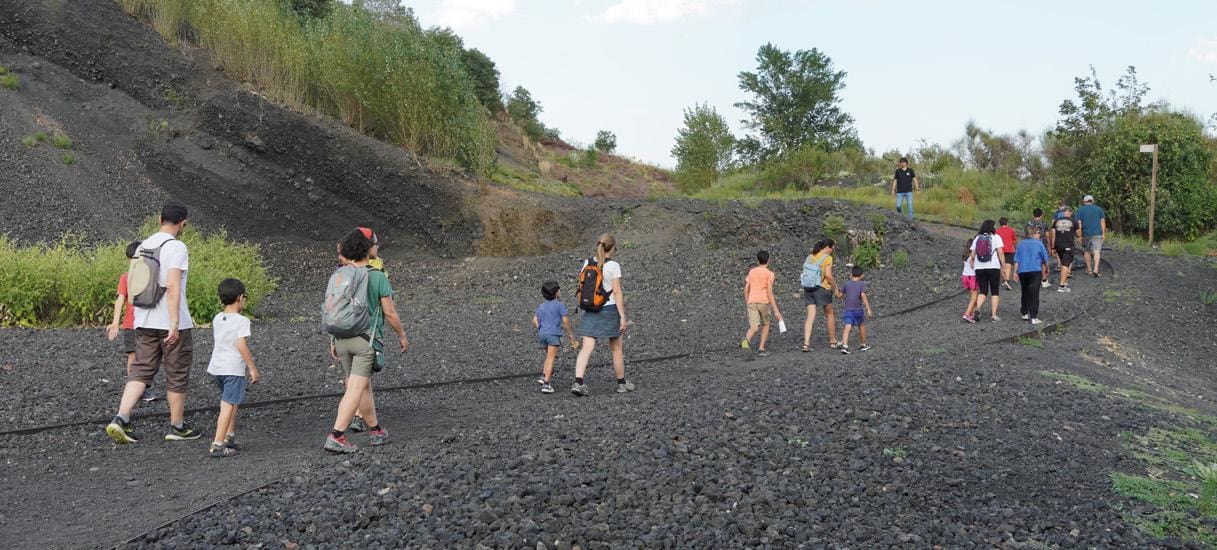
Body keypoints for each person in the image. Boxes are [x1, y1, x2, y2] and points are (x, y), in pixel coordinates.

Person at [104, 202, 198, 444]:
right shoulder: (176, 247)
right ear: (183, 223)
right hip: (169, 322)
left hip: (143, 320)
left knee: (142, 369)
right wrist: (175, 323)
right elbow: (174, 286)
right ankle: (176, 427)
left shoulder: (142, 246)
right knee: (176, 373)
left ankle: (121, 418)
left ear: (160, 219)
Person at [324, 229, 409, 453]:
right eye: (375, 244)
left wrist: (333, 339)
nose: (377, 247)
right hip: (365, 341)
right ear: (367, 248)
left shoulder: (341, 275)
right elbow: (389, 313)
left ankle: (375, 430)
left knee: (363, 387)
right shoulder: (377, 276)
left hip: (342, 339)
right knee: (355, 388)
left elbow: (335, 308)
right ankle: (336, 436)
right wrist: (401, 335)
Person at [571, 233, 634, 397]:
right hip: (609, 309)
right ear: (612, 248)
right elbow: (618, 292)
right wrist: (622, 316)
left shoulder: (588, 262)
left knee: (586, 348)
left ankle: (579, 382)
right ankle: (621, 384)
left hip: (591, 309)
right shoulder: (613, 266)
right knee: (616, 348)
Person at [206, 278, 261, 458]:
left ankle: (229, 437)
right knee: (228, 405)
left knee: (231, 401)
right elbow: (241, 345)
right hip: (232, 370)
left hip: (217, 368)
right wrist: (252, 367)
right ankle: (218, 444)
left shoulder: (217, 318)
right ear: (240, 297)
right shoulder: (241, 321)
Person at [107, 240, 157, 403]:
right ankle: (135, 390)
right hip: (131, 324)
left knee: (145, 357)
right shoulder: (126, 277)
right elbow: (120, 299)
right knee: (134, 356)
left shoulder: (151, 275)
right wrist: (115, 322)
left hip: (148, 323)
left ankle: (139, 388)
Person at [533, 280, 578, 394]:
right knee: (551, 358)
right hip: (553, 334)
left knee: (549, 356)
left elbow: (535, 320)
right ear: (556, 293)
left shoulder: (541, 306)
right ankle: (546, 384)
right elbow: (565, 321)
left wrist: (541, 329)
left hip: (542, 334)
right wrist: (570, 336)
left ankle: (544, 376)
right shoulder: (559, 305)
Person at [740, 250, 783, 357]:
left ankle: (746, 340)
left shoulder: (752, 271)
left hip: (752, 301)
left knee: (754, 327)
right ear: (769, 260)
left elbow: (745, 290)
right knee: (766, 324)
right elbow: (769, 292)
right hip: (764, 302)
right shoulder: (770, 274)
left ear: (758, 260)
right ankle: (761, 348)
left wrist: (747, 303)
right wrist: (776, 311)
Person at [801, 238, 841, 351]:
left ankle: (806, 343)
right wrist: (836, 287)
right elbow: (828, 276)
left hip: (808, 288)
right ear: (828, 247)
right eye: (832, 248)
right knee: (829, 314)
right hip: (822, 288)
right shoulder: (827, 258)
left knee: (810, 316)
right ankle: (833, 341)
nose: (832, 250)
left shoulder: (810, 257)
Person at [968, 220, 1007, 322]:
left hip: (979, 267)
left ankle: (978, 308)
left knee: (983, 290)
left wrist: (972, 262)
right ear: (992, 227)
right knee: (994, 291)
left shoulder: (977, 238)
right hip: (993, 266)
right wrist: (1004, 267)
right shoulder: (996, 237)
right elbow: (1001, 253)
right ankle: (994, 316)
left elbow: (972, 255)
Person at [1013, 226, 1051, 325]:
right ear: (1032, 234)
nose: (1039, 235)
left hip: (1022, 271)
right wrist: (1047, 268)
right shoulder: (1039, 243)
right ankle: (1033, 316)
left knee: (1025, 291)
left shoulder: (1021, 244)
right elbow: (1045, 258)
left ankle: (1024, 313)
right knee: (1034, 293)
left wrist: (1015, 272)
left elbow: (1016, 259)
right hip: (1035, 271)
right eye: (1038, 233)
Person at [836, 266, 873, 354]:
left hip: (848, 310)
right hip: (858, 310)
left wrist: (835, 290)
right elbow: (863, 295)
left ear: (852, 274)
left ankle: (845, 346)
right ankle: (863, 344)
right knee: (861, 326)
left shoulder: (847, 284)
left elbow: (839, 296)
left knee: (847, 327)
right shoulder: (861, 284)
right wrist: (868, 309)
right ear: (861, 275)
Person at [1048, 206, 1081, 293]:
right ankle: (1061, 286)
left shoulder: (1056, 221)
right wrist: (1078, 228)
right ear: (1070, 212)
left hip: (1058, 245)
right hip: (1068, 245)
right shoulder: (1074, 221)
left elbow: (1053, 234)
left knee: (1063, 263)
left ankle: (1065, 283)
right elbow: (1078, 234)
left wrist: (1052, 247)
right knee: (1066, 264)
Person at [1076, 194, 1107, 278]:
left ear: (1084, 202)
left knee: (1087, 251)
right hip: (1097, 233)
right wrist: (1103, 233)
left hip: (1086, 234)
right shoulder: (1099, 209)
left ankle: (1089, 270)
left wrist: (1079, 236)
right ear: (1092, 201)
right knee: (1097, 251)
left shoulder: (1080, 210)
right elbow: (1102, 222)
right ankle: (1096, 269)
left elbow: (1079, 223)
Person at [1025, 208, 1052, 288]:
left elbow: (1026, 235)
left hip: (1030, 245)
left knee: (1032, 261)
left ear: (1033, 214)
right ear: (1041, 215)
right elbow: (1047, 235)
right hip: (1042, 244)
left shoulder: (1028, 223)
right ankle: (1044, 280)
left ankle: (1032, 279)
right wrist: (1050, 246)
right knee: (1043, 262)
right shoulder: (1044, 223)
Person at [961, 238, 982, 323]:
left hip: (965, 276)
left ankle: (973, 314)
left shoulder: (964, 256)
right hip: (972, 277)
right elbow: (973, 266)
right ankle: (967, 314)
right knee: (974, 298)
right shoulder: (972, 256)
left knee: (974, 295)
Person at [995, 217, 1018, 290]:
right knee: (1008, 265)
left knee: (1002, 265)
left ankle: (1004, 279)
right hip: (1009, 249)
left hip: (1000, 249)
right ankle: (1006, 281)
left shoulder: (997, 231)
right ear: (1007, 223)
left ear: (1000, 223)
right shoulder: (1011, 230)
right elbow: (1014, 241)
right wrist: (1015, 247)